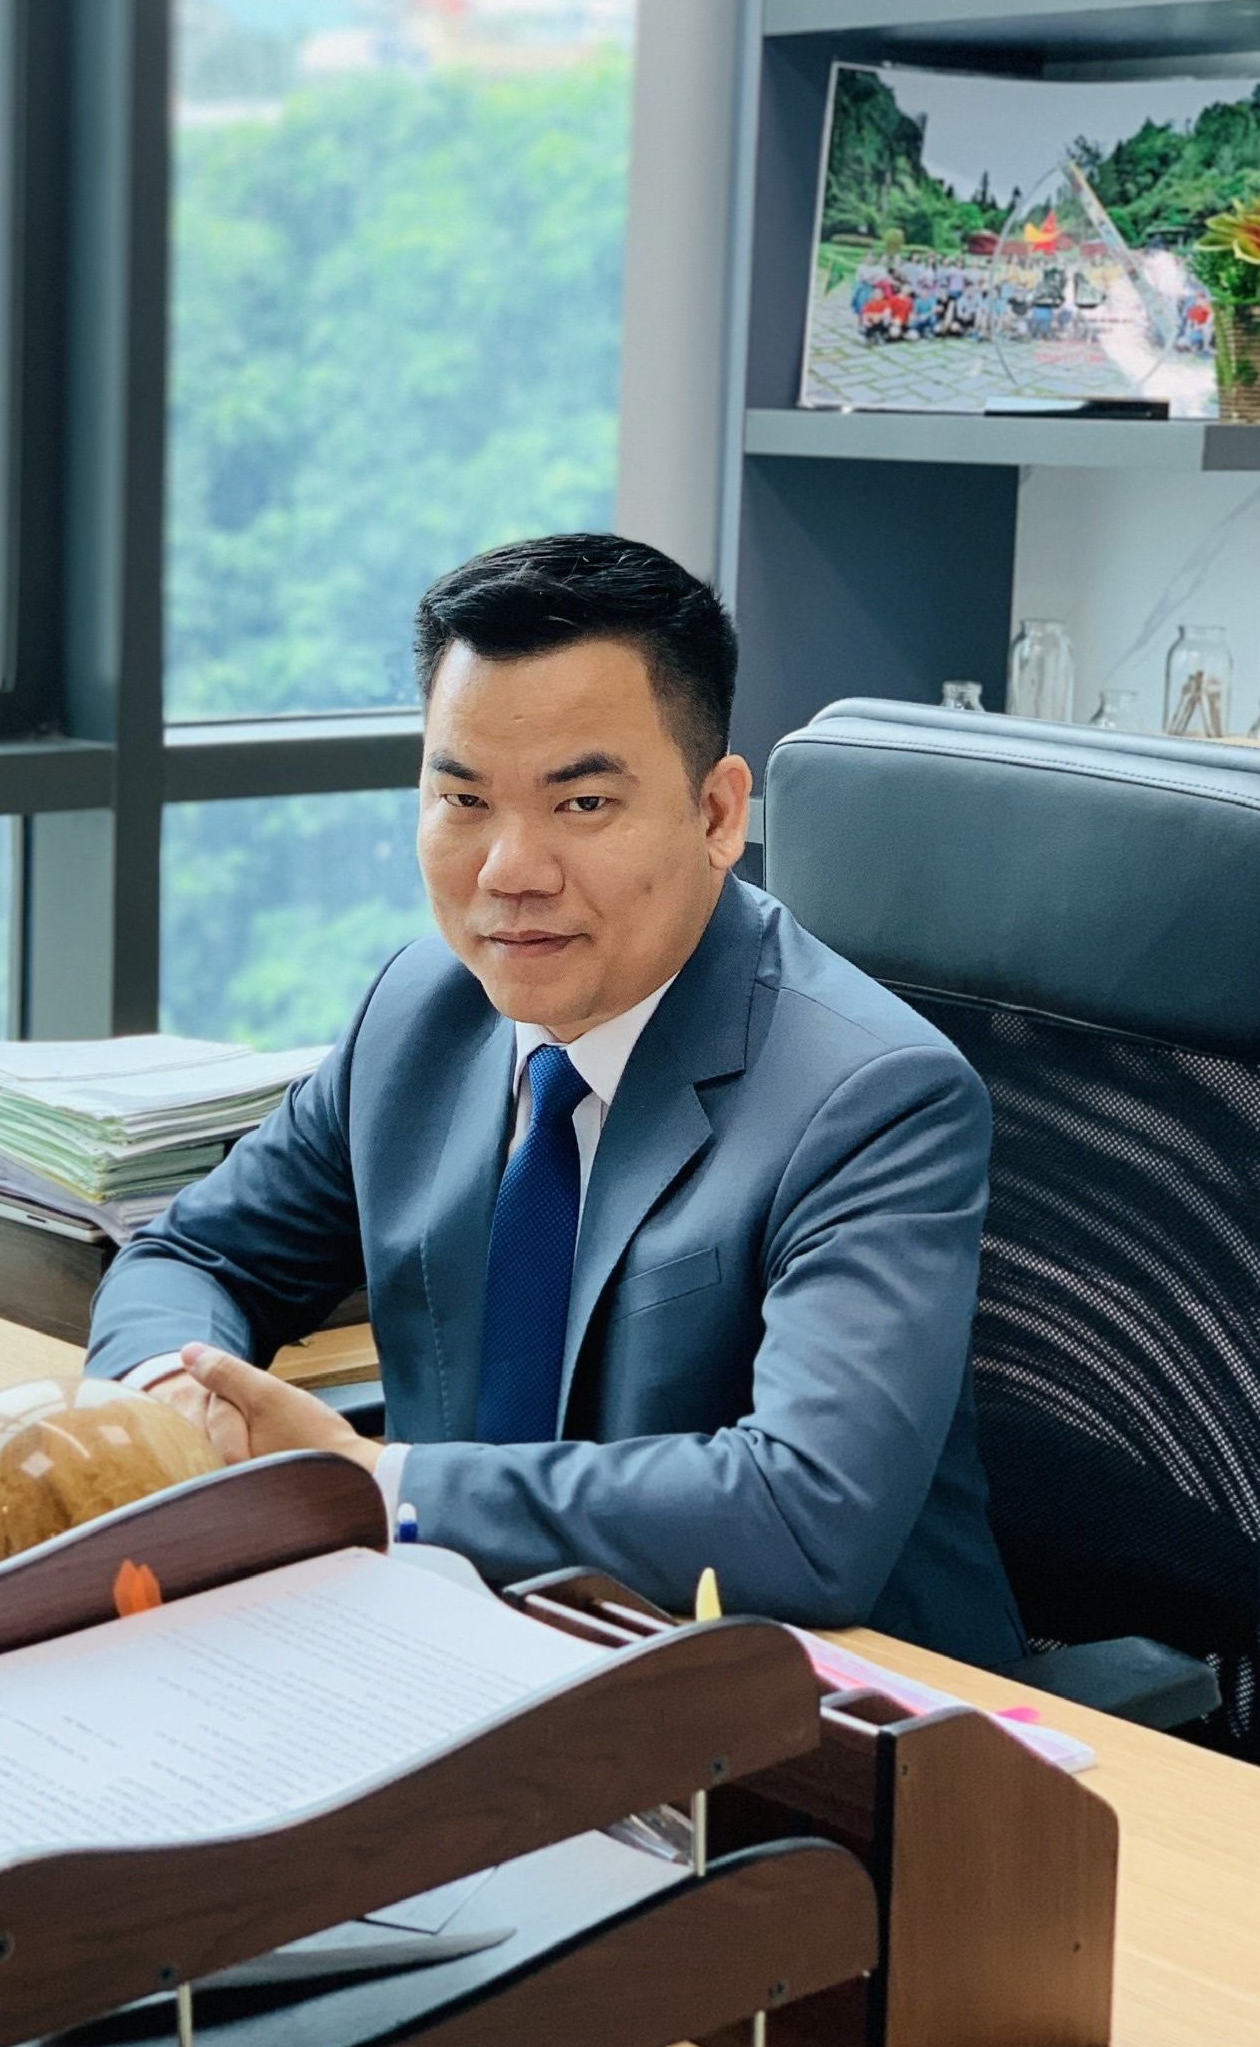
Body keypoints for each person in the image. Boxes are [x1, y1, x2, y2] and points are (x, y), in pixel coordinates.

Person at [85, 534, 1027, 1666]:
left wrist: (380, 1485)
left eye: (581, 803)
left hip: (815, 1714)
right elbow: (195, 1255)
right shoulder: (419, 1014)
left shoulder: (874, 1099)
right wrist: (174, 1397)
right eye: (464, 799)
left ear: (718, 814)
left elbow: (803, 1513)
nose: (510, 871)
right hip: (461, 1656)